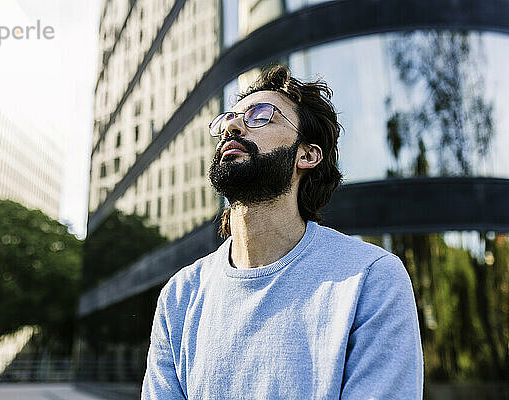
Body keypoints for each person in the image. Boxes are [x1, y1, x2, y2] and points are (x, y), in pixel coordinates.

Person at [142, 65, 423, 399]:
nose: (233, 125)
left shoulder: (371, 279)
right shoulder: (180, 295)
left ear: (307, 154)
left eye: (260, 116)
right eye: (229, 118)